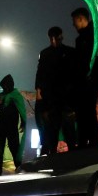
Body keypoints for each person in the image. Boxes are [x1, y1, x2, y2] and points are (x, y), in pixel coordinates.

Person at [34, 26, 73, 156]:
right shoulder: (46, 54)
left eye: (55, 37)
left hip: (63, 97)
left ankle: (67, 152)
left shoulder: (67, 52)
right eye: (52, 38)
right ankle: (52, 153)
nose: (54, 40)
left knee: (66, 128)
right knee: (52, 130)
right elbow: (39, 76)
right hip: (52, 98)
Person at [70, 7, 98, 148]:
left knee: (87, 109)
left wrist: (90, 74)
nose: (73, 24)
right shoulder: (81, 38)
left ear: (81, 19)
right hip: (82, 79)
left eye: (74, 21)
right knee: (82, 110)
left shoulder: (93, 35)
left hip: (90, 78)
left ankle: (91, 140)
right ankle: (84, 140)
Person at [0, 74, 25, 175]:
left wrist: (23, 122)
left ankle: (19, 169)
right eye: (3, 86)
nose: (4, 88)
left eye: (6, 85)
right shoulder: (1, 96)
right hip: (1, 126)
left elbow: (21, 110)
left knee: (14, 148)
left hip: (12, 127)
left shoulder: (16, 95)